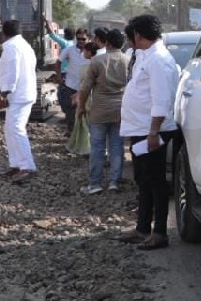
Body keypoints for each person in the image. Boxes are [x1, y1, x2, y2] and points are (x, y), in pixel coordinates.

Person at [116, 15, 180, 250]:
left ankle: (160, 233)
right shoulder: (145, 55)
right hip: (141, 129)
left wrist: (153, 132)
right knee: (143, 180)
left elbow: (161, 100)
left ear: (138, 35)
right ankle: (142, 228)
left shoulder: (159, 60)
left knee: (156, 182)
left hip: (152, 131)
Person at [77, 28, 128, 194]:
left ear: (107, 43)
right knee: (117, 146)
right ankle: (114, 182)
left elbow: (85, 88)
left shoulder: (97, 62)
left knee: (97, 147)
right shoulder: (128, 61)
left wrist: (81, 107)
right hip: (120, 111)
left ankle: (95, 184)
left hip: (99, 111)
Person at [0, 19, 39, 184]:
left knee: (16, 129)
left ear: (4, 33)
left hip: (17, 94)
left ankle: (27, 166)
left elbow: (11, 72)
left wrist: (5, 93)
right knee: (10, 129)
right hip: (22, 93)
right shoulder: (25, 45)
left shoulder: (11, 47)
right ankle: (16, 164)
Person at [55, 28, 91, 134]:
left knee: (85, 112)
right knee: (70, 111)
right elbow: (58, 62)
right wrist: (58, 77)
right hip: (71, 86)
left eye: (83, 39)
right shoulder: (69, 50)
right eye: (79, 39)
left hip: (86, 88)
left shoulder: (92, 51)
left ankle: (84, 135)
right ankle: (72, 134)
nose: (81, 41)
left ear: (88, 39)